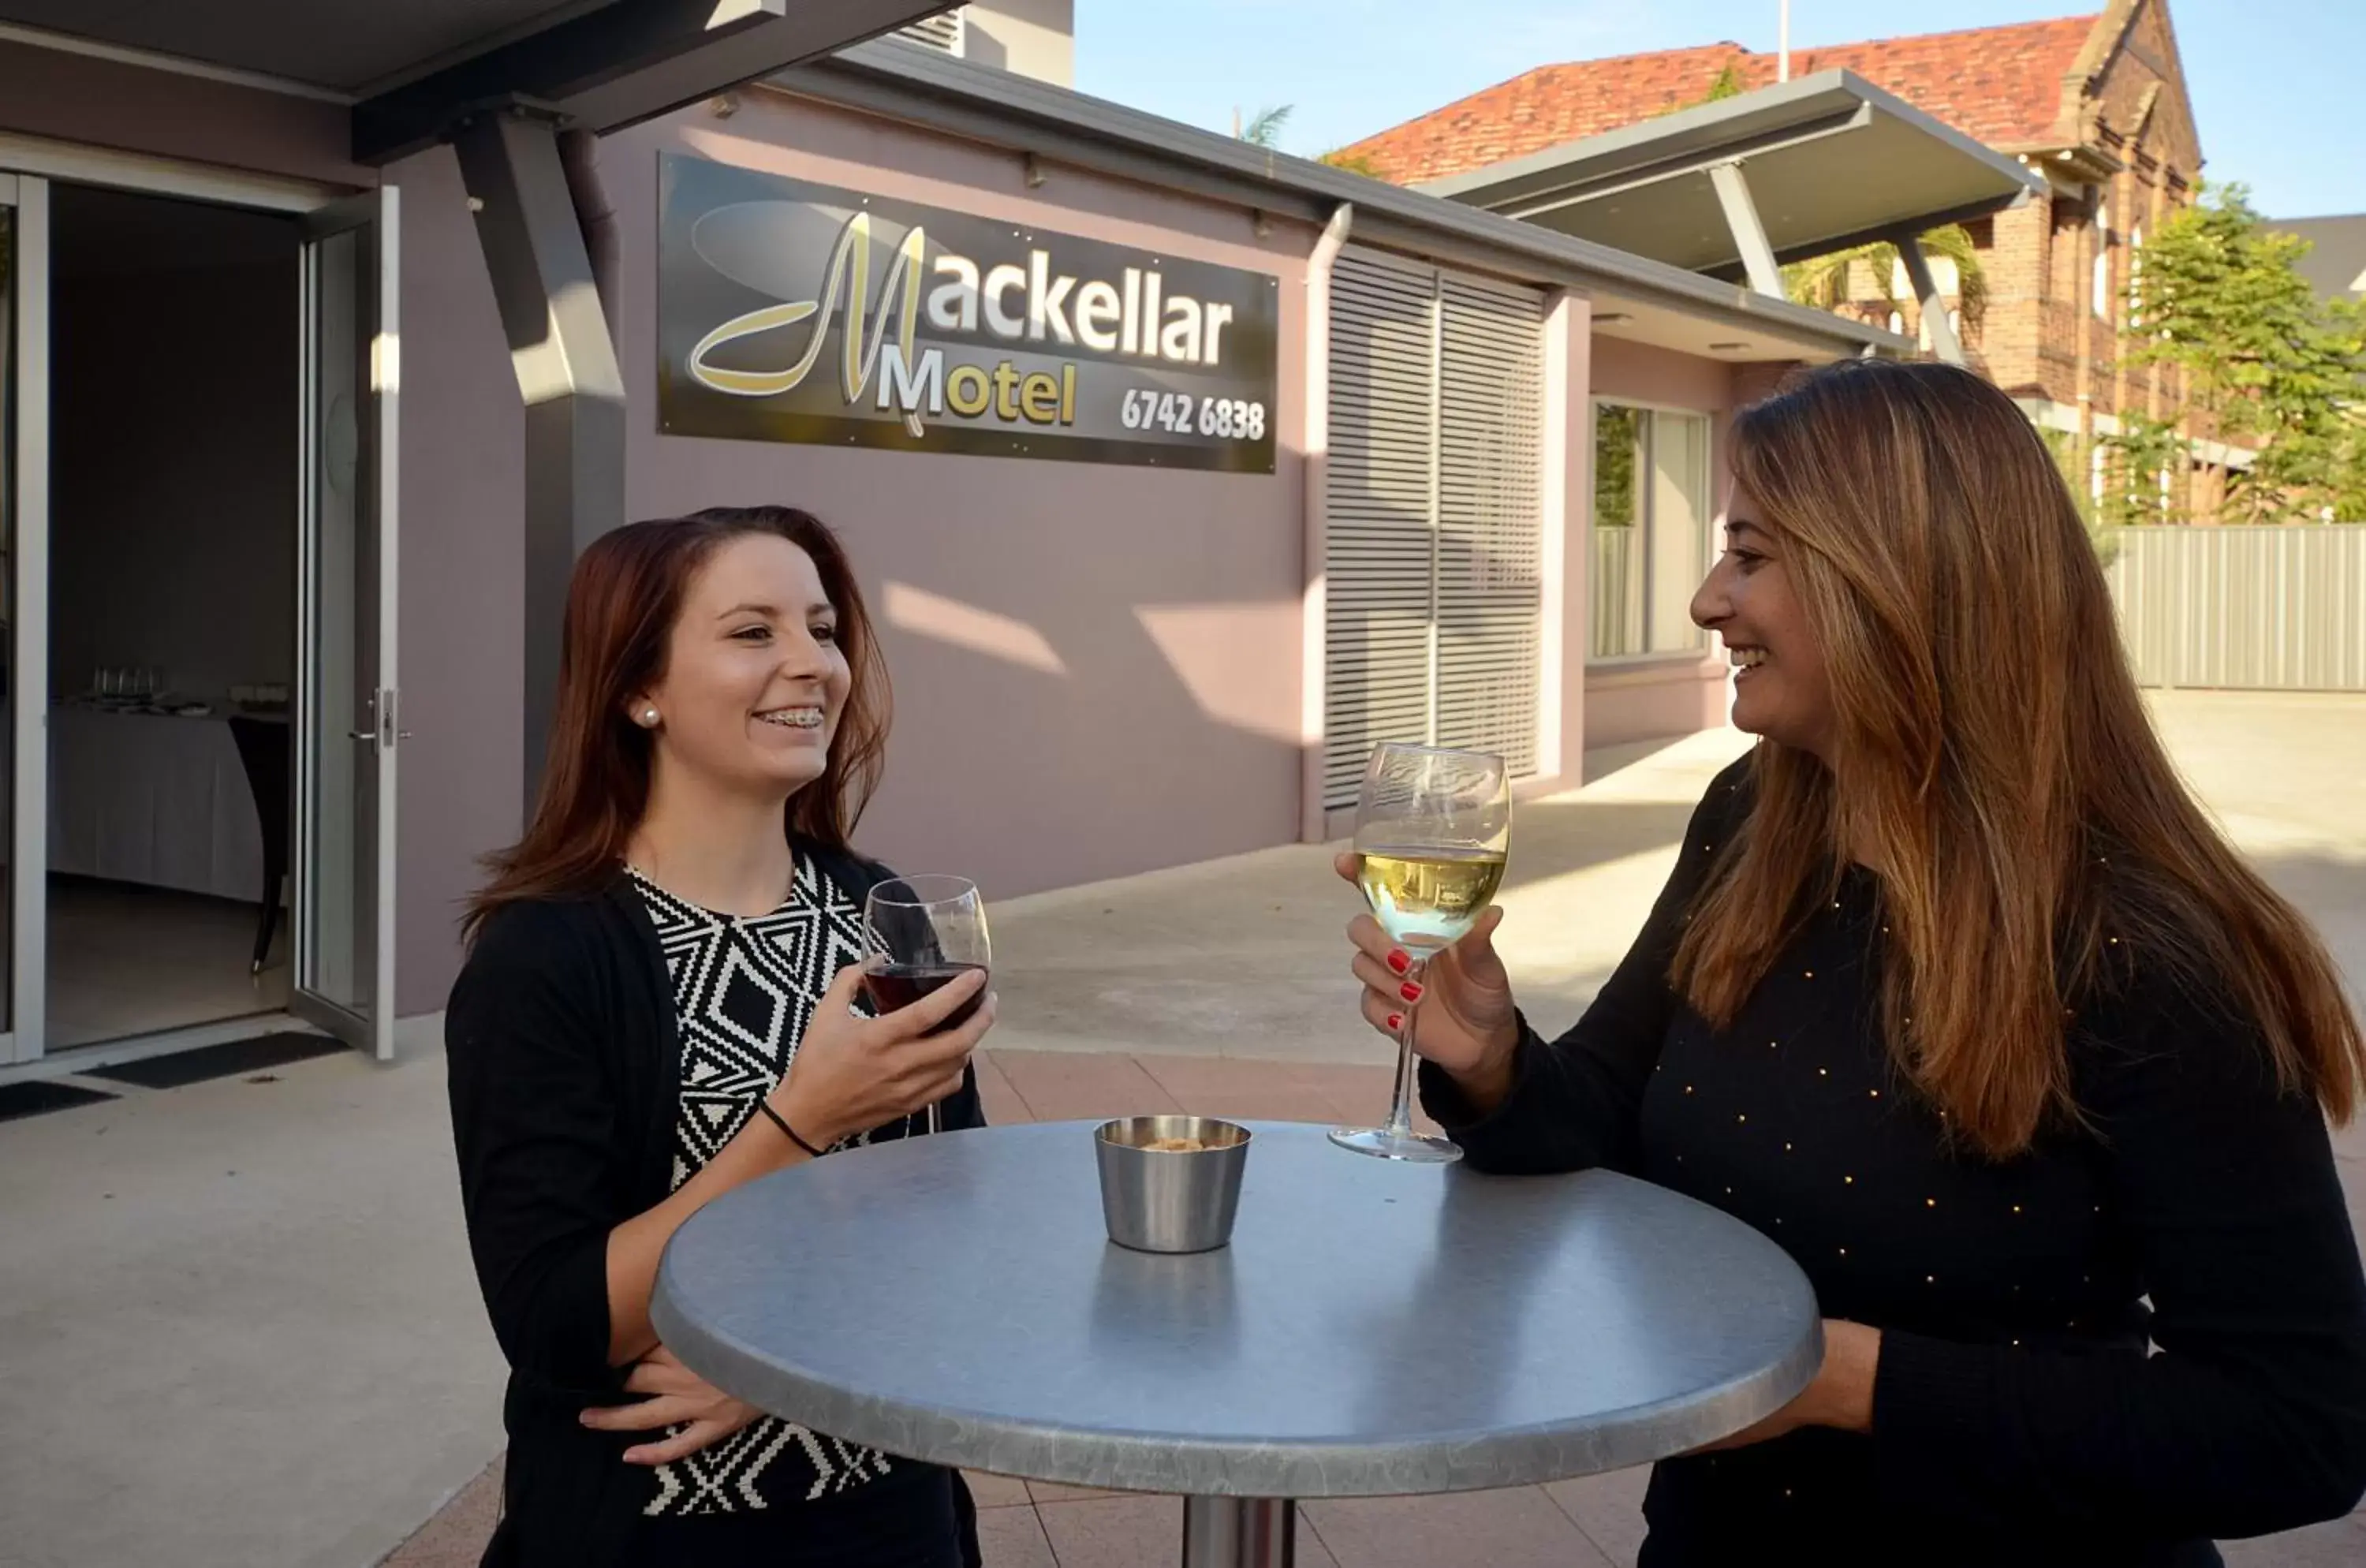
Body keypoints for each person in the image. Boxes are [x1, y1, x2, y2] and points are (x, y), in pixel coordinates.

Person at [1342, 360, 2366, 1566]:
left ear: (1903, 583)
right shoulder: (1756, 816)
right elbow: (1604, 1122)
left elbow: (2299, 1428)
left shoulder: (2149, 947)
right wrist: (1496, 1062)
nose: (1705, 600)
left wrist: (1842, 1381)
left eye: (1753, 556)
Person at [446, 506, 994, 1568]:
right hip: (652, 1530)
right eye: (754, 633)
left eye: (824, 629)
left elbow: (953, 1221)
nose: (813, 666)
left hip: (893, 1506)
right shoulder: (546, 956)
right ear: (638, 689)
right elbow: (559, 1322)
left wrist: (785, 1353)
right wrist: (802, 1117)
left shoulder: (879, 914)